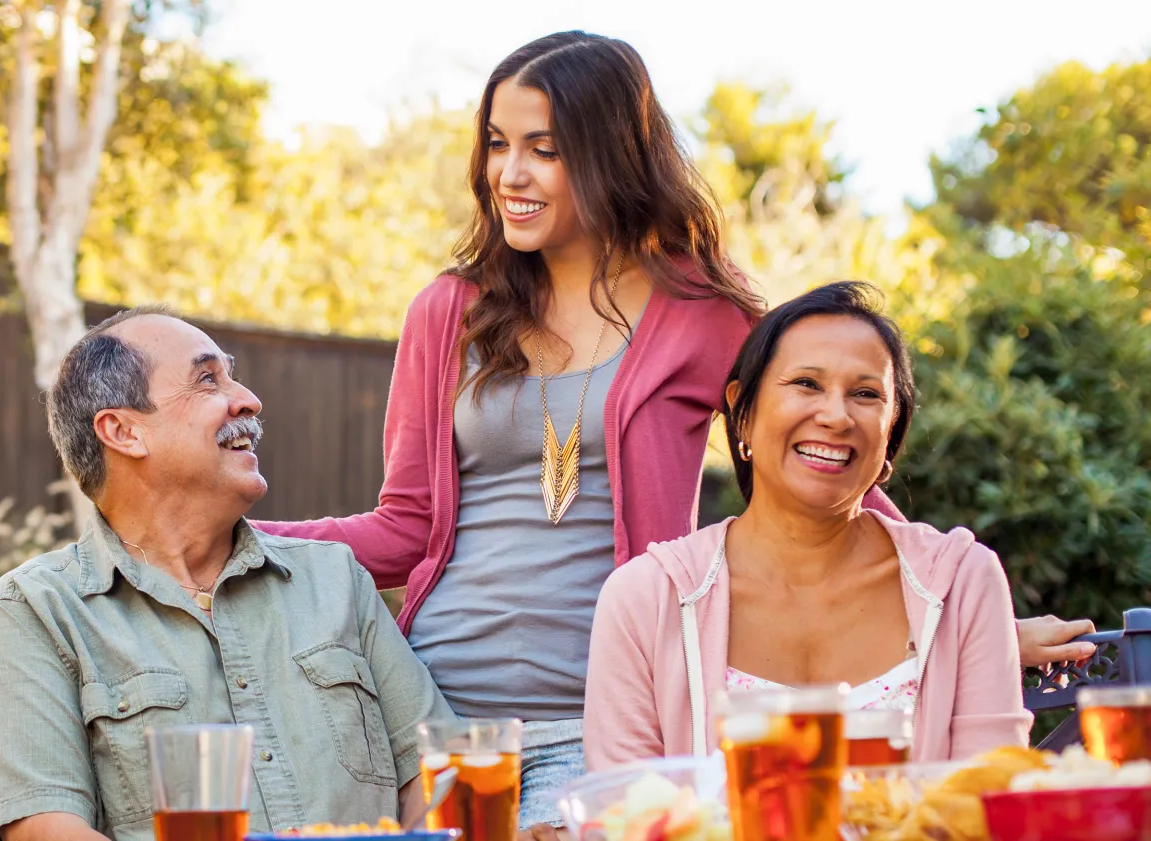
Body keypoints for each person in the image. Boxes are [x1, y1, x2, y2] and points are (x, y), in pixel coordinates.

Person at [255, 30, 1090, 832]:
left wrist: (959, 626)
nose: (510, 172)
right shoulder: (448, 311)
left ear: (612, 152)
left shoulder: (705, 314)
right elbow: (403, 525)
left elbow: (832, 469)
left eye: (544, 148)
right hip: (435, 715)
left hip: (603, 718)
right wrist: (238, 537)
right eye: (497, 143)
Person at [0, 306, 452, 841]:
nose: (248, 400)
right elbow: (44, 831)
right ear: (123, 431)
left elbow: (442, 772)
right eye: (207, 379)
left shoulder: (336, 580)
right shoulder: (35, 611)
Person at [583, 282, 1031, 767]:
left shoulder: (963, 581)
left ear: (891, 432)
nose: (836, 416)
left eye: (864, 394)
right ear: (742, 412)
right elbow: (624, 813)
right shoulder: (647, 599)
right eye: (806, 384)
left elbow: (989, 792)